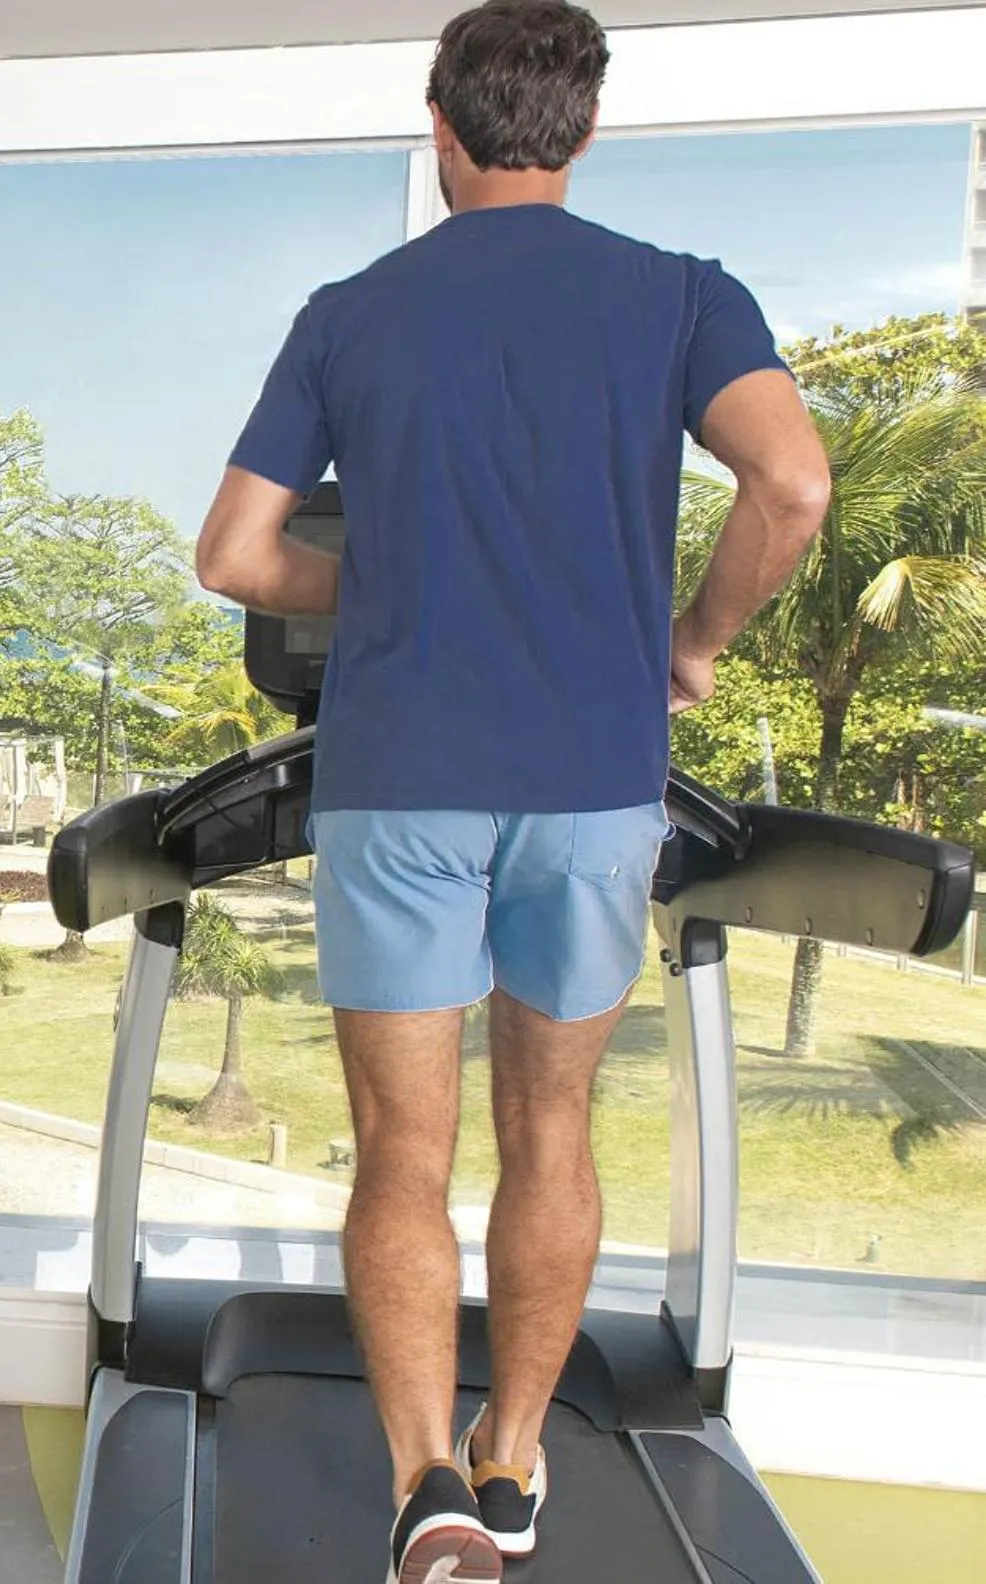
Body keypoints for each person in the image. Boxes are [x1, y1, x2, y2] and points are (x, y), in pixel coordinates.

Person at [191, 5, 830, 1582]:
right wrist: (688, 643)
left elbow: (232, 558)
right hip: (590, 783)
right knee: (551, 1134)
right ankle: (511, 1461)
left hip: (398, 780)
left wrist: (387, 587)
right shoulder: (683, 297)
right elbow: (794, 483)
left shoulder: (350, 312)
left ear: (440, 125)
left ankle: (421, 1487)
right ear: (584, 128)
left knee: (399, 1153)